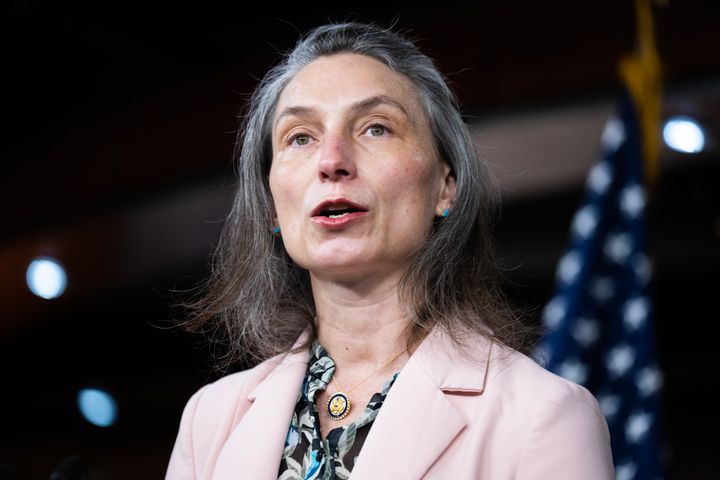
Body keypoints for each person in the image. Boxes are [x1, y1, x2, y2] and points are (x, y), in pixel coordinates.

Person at [165, 21, 614, 479]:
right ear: (273, 208)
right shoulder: (209, 420)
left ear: (445, 187)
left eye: (376, 128)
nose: (331, 160)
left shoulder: (545, 415)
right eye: (300, 137)